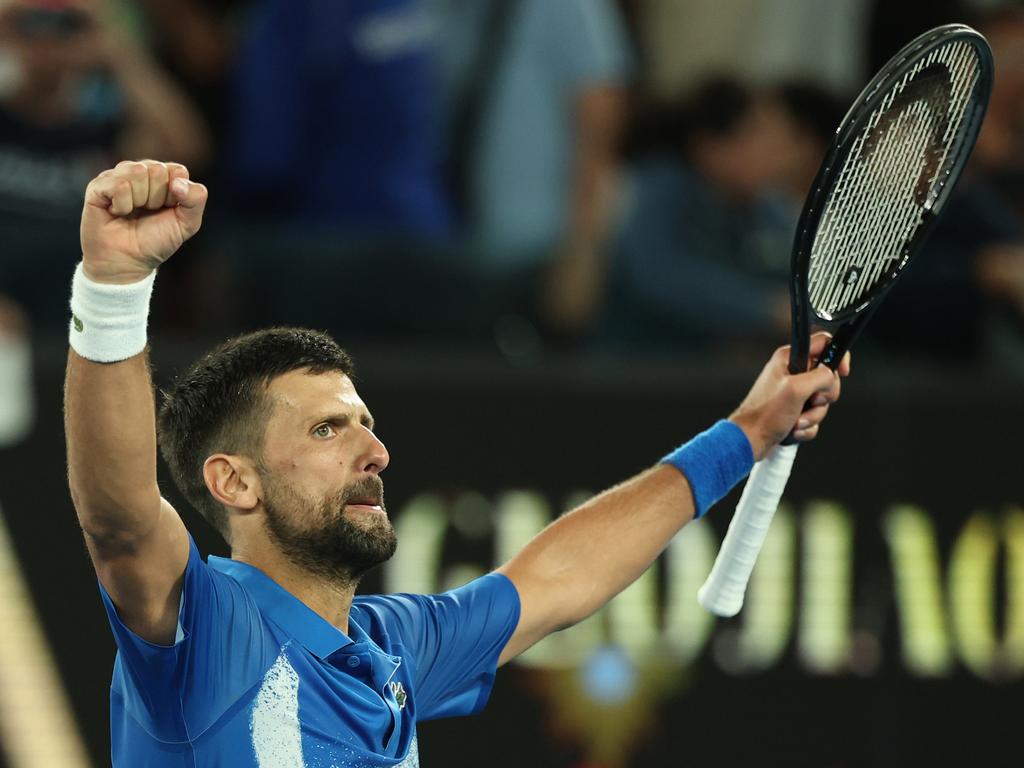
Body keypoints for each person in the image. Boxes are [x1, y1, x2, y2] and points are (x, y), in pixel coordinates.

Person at [64, 160, 849, 766]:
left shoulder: (394, 652)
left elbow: (557, 578)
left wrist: (746, 431)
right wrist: (115, 286)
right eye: (328, 432)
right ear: (233, 481)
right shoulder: (207, 625)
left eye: (365, 424)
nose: (376, 452)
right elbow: (121, 520)